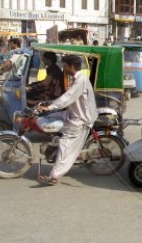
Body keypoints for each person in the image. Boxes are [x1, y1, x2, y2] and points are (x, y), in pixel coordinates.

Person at [37, 55, 97, 186]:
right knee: (47, 119)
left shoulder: (80, 81)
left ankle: (54, 176)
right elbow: (66, 98)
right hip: (71, 113)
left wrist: (50, 106)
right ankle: (53, 145)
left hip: (79, 119)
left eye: (64, 66)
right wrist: (49, 104)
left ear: (71, 66)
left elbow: (67, 98)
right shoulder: (78, 79)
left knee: (65, 144)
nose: (63, 68)